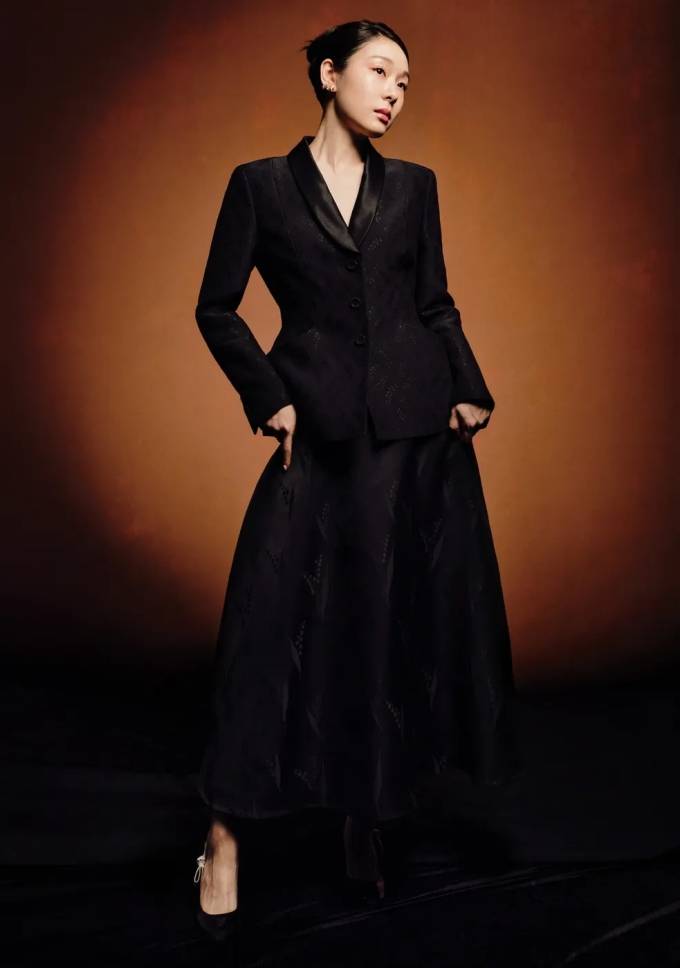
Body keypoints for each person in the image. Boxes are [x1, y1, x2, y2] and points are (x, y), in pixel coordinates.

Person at [191, 19, 522, 946]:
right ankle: (223, 833)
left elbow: (434, 302)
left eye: (406, 82)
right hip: (315, 431)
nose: (394, 92)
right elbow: (216, 308)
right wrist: (268, 396)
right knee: (269, 626)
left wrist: (468, 385)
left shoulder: (415, 187)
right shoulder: (259, 185)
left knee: (381, 630)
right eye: (381, 71)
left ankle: (362, 816)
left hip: (412, 437)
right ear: (329, 73)